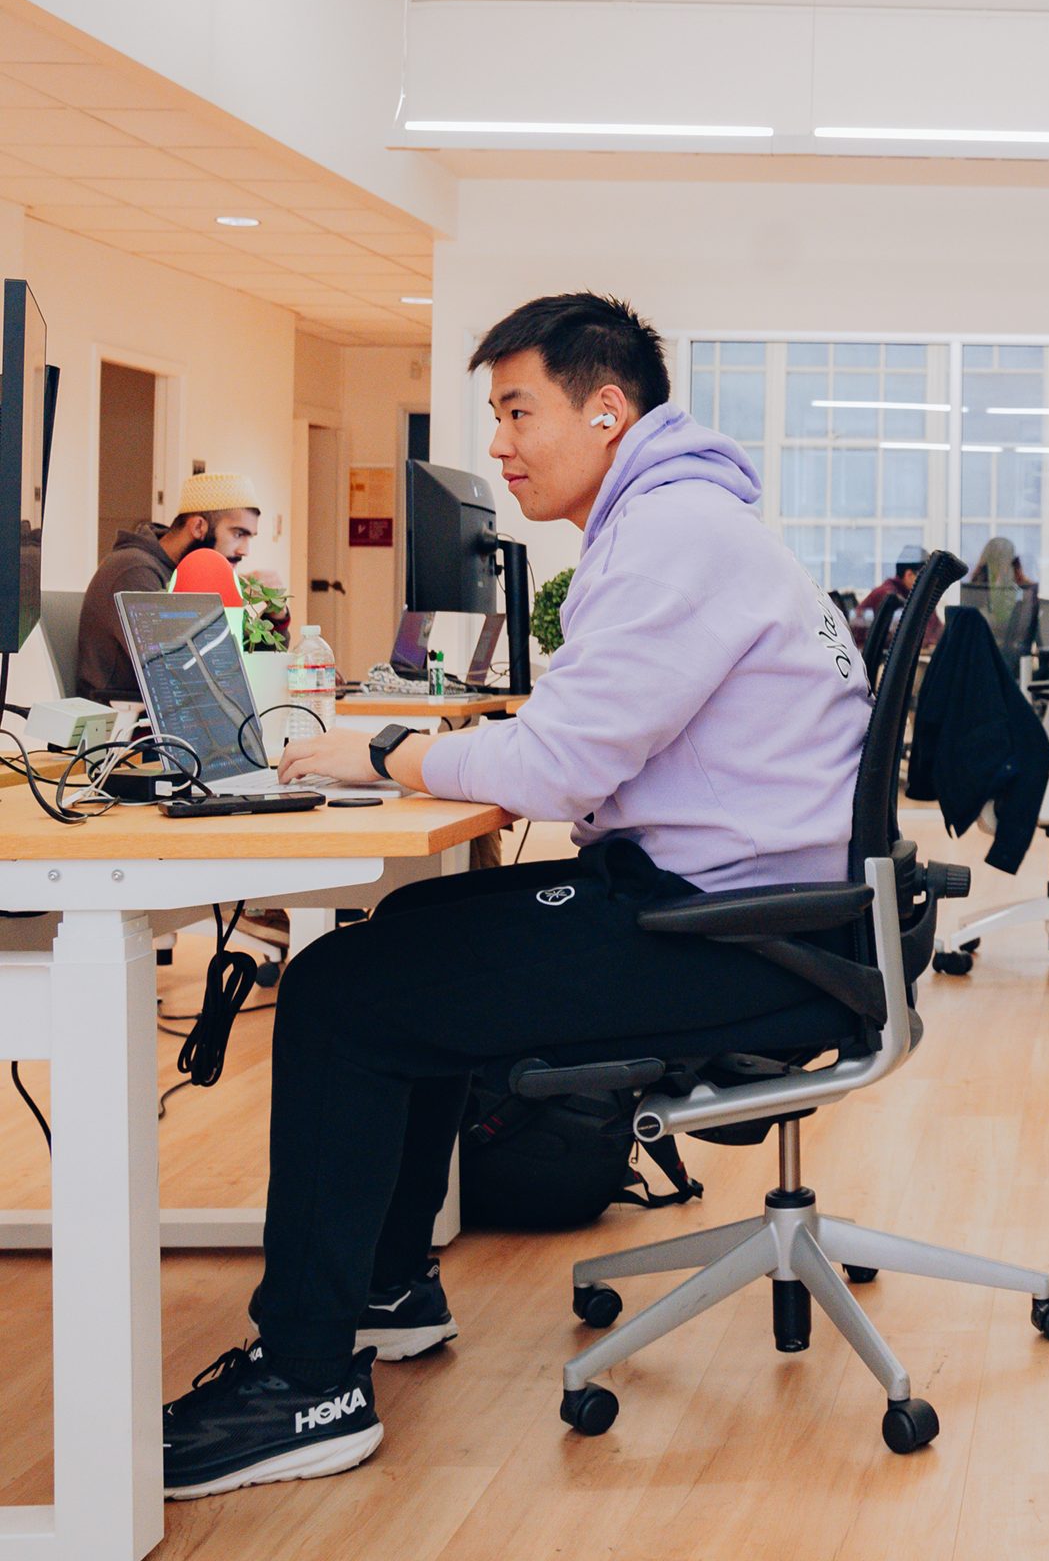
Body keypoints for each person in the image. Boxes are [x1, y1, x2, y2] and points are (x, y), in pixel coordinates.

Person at [159, 292, 871, 1501]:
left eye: (517, 409)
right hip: (755, 910)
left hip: (739, 935)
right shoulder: (680, 518)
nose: (498, 441)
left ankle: (307, 1378)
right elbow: (579, 741)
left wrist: (380, 755)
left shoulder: (673, 534)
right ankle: (384, 1285)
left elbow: (558, 768)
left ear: (608, 411)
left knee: (338, 988)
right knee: (418, 928)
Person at [74, 472, 261, 702]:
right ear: (198, 527)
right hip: (129, 723)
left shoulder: (184, 572)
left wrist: (274, 614)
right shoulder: (134, 570)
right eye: (238, 534)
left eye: (249, 537)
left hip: (174, 712)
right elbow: (173, 669)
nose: (245, 550)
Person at [852, 544, 942, 651]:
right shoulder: (890, 596)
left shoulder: (906, 594)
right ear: (909, 575)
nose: (930, 584)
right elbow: (908, 639)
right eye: (926, 579)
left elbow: (936, 631)